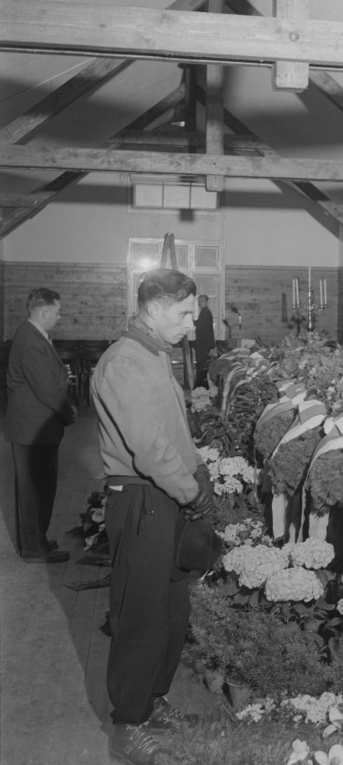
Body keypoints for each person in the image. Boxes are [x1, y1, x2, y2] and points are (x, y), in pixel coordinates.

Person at [91, 269, 214, 765]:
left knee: (171, 611)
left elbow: (173, 430)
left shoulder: (152, 353)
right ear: (156, 306)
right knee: (141, 615)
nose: (191, 324)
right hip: (143, 500)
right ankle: (127, 725)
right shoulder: (125, 361)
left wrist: (199, 469)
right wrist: (191, 493)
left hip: (166, 497)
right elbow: (148, 448)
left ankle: (153, 701)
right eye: (185, 314)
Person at [5, 288, 75, 564]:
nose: (58, 318)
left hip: (33, 426)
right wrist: (69, 412)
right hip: (32, 428)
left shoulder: (30, 335)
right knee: (36, 491)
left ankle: (37, 541)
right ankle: (34, 547)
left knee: (38, 489)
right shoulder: (32, 340)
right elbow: (47, 389)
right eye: (56, 313)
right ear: (44, 312)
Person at [193, 294, 214, 388]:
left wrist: (188, 321)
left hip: (204, 344)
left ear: (206, 302)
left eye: (202, 301)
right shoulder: (203, 312)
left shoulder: (206, 312)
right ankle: (201, 385)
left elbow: (199, 323)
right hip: (202, 343)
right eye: (199, 301)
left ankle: (202, 386)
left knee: (202, 365)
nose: (199, 303)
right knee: (201, 364)